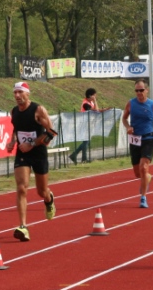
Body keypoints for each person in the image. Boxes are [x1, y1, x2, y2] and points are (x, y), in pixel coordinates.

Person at [6, 82, 57, 242]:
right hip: (22, 153)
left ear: (27, 94)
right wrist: (13, 141)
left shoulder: (38, 110)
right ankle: (23, 226)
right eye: (15, 93)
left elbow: (51, 132)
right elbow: (16, 129)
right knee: (22, 188)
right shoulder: (14, 111)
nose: (17, 96)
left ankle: (49, 200)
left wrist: (32, 144)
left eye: (20, 92)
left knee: (41, 191)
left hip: (38, 153)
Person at [121, 79, 153, 208]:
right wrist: (128, 127)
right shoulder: (130, 104)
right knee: (138, 173)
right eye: (137, 90)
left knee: (143, 167)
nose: (139, 93)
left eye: (141, 90)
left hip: (148, 138)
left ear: (146, 90)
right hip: (135, 139)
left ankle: (143, 197)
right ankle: (147, 178)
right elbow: (124, 118)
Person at [69, 88, 112, 164]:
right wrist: (95, 101)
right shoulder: (85, 104)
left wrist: (106, 109)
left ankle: (74, 155)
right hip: (85, 124)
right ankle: (83, 158)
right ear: (90, 95)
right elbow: (95, 110)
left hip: (89, 124)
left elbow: (97, 110)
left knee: (86, 141)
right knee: (86, 141)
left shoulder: (90, 102)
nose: (95, 97)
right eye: (94, 95)